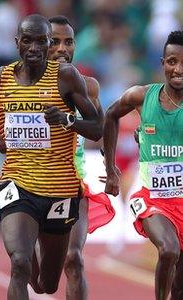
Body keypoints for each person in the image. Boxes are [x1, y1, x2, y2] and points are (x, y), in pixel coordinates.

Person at [0, 14, 101, 300]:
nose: (33, 47)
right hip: (17, 181)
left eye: (40, 41)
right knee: (19, 263)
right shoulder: (2, 76)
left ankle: (35, 246)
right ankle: (25, 246)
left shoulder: (66, 77)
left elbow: (96, 127)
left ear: (48, 45)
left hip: (60, 188)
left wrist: (66, 120)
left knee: (47, 284)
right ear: (16, 42)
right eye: (27, 40)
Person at [103, 30, 183, 300]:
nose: (178, 69)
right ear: (163, 62)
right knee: (168, 249)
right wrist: (110, 169)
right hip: (154, 200)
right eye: (172, 61)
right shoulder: (141, 96)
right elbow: (111, 115)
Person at [46, 15, 114, 300]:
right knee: (41, 281)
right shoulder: (20, 83)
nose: (62, 48)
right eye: (55, 42)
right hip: (31, 187)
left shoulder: (88, 86)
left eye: (68, 42)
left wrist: (111, 167)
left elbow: (102, 126)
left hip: (74, 185)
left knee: (74, 259)